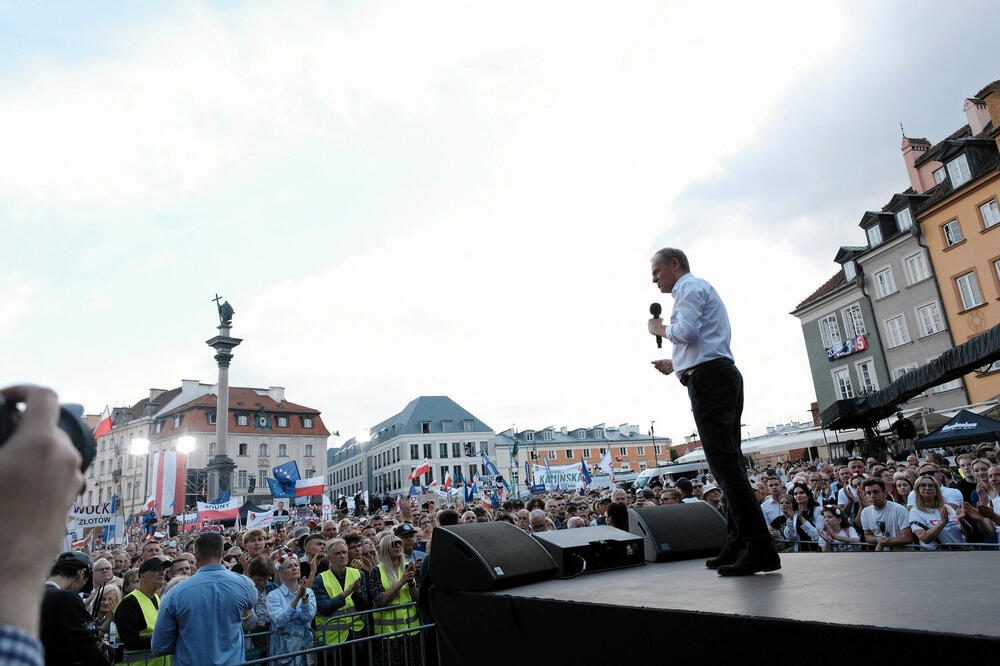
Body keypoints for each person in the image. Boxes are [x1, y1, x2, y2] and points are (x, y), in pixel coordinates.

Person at [648, 248, 778, 576]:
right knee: (727, 465)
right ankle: (737, 542)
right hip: (717, 376)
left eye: (657, 270)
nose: (654, 279)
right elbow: (701, 343)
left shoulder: (689, 289)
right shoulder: (696, 290)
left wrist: (658, 329)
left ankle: (759, 546)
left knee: (726, 467)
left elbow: (686, 333)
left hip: (711, 381)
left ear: (674, 264)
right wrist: (677, 364)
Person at [151, 532, 257, 665]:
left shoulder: (175, 593)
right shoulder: (245, 585)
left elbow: (159, 646)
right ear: (223, 554)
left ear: (196, 556)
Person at [40, 552, 114, 666]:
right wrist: (109, 650)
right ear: (82, 573)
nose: (81, 588)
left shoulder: (32, 592)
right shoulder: (67, 598)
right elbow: (94, 650)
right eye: (85, 582)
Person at [370, 534, 420, 665]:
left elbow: (416, 597)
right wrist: (401, 581)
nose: (398, 545)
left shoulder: (408, 566)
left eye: (399, 543)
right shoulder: (376, 571)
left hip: (411, 630)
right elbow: (380, 601)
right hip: (388, 634)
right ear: (386, 548)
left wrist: (411, 584)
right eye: (394, 544)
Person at [314, 538, 368, 658]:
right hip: (332, 640)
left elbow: (364, 606)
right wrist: (344, 594)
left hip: (356, 635)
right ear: (328, 558)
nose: (343, 556)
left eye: (344, 552)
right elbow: (323, 608)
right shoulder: (320, 579)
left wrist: (357, 593)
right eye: (338, 553)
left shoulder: (359, 574)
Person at [113, 556, 171, 661]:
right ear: (142, 576)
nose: (162, 573)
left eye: (163, 570)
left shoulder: (156, 598)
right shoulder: (129, 602)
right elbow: (130, 641)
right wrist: (164, 639)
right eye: (156, 570)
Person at [266, 551, 316, 666]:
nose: (294, 568)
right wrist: (296, 598)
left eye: (296, 565)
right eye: (289, 566)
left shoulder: (309, 592)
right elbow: (279, 621)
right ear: (281, 573)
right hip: (282, 649)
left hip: (304, 647)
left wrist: (304, 598)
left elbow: (308, 617)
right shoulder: (274, 596)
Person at [859, 479, 913, 551]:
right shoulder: (865, 512)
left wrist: (884, 542)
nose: (872, 496)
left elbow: (907, 538)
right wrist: (879, 539)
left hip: (903, 555)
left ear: (885, 493)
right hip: (882, 556)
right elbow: (867, 535)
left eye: (876, 492)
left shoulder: (899, 509)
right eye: (868, 493)